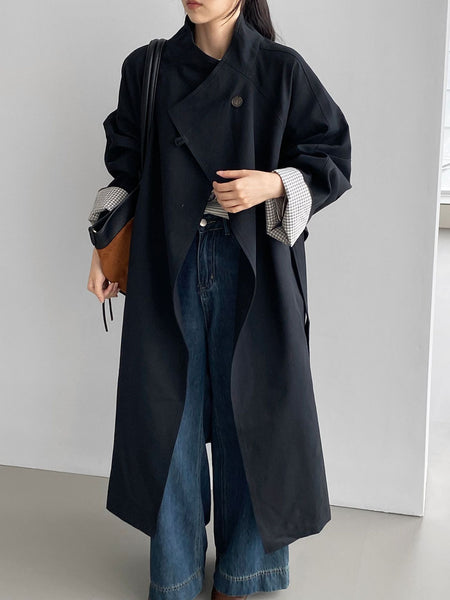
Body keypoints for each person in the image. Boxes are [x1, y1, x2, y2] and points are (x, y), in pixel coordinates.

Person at [87, 2, 352, 599]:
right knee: (169, 416)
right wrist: (102, 251)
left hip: (252, 263)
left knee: (254, 413)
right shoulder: (147, 67)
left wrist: (271, 183)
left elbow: (333, 155)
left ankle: (245, 573)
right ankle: (175, 575)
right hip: (167, 259)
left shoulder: (280, 69)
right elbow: (125, 167)